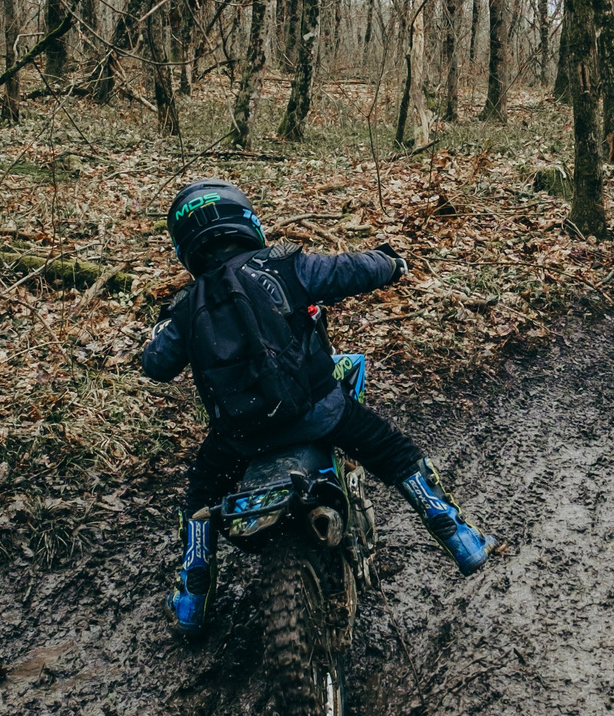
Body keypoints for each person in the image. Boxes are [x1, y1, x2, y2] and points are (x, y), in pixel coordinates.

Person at [141, 178, 498, 632]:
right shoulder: (283, 266)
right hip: (319, 416)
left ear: (183, 244)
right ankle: (457, 534)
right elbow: (351, 270)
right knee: (391, 450)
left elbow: (155, 363)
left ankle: (193, 593)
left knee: (200, 496)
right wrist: (390, 262)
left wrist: (161, 326)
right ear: (245, 219)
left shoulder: (186, 306)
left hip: (238, 440)